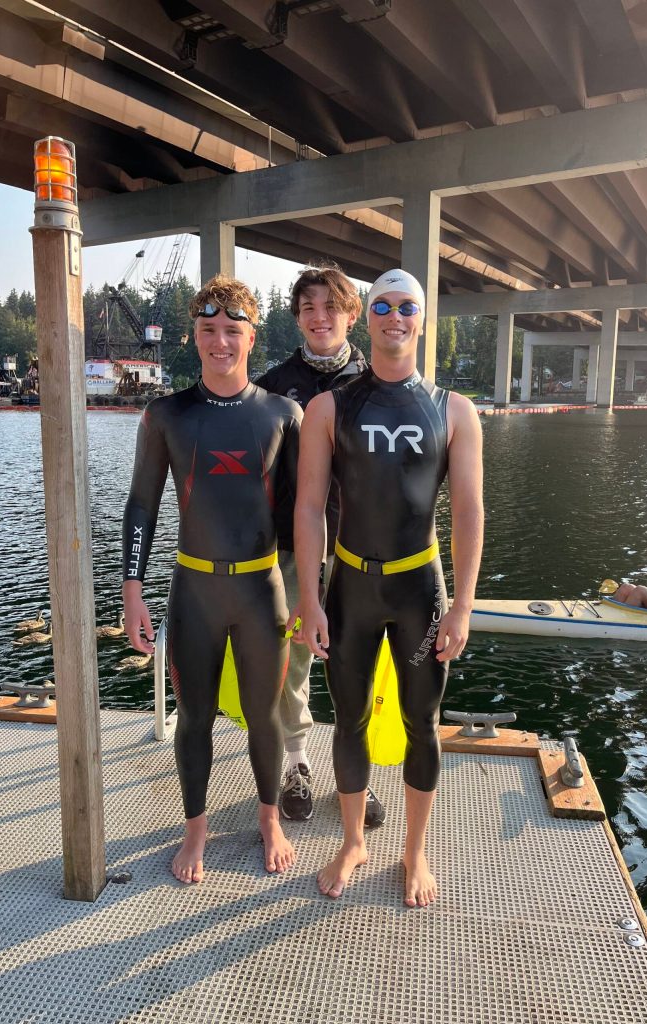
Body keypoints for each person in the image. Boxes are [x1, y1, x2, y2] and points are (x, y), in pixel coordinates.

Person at [294, 268, 484, 907]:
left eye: (407, 306)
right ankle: (352, 841)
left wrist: (461, 604)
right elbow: (309, 504)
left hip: (419, 592)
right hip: (350, 584)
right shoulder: (330, 407)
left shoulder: (452, 410)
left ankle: (415, 851)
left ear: (422, 319)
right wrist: (308, 596)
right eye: (382, 305)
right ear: (366, 315)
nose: (394, 316)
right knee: (347, 722)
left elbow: (469, 511)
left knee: (420, 724)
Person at [122, 274, 301, 884]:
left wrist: (316, 594)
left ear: (252, 336)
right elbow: (141, 505)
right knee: (194, 718)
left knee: (264, 715)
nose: (219, 342)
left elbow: (304, 512)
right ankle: (195, 827)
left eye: (232, 330)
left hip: (262, 590)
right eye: (207, 331)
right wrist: (131, 592)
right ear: (193, 337)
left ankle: (269, 817)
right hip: (193, 589)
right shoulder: (167, 414)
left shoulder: (283, 413)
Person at [256, 264, 384, 828]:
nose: (319, 317)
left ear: (351, 314)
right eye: (308, 307)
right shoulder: (273, 384)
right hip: (290, 544)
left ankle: (356, 777)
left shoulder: (381, 381)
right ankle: (297, 763)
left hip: (362, 545)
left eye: (330, 306)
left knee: (358, 662)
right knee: (295, 660)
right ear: (298, 317)